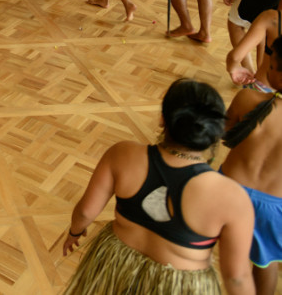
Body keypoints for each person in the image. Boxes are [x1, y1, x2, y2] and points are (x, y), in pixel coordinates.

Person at [62, 78, 255, 294]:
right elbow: (237, 278)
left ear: (163, 118)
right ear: (216, 131)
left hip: (115, 271)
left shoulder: (122, 154)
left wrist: (75, 232)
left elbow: (86, 212)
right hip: (179, 286)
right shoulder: (230, 196)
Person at [223, 39, 282, 295]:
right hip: (273, 206)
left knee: (202, 245)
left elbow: (225, 134)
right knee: (265, 262)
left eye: (271, 65)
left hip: (227, 191)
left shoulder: (246, 97)